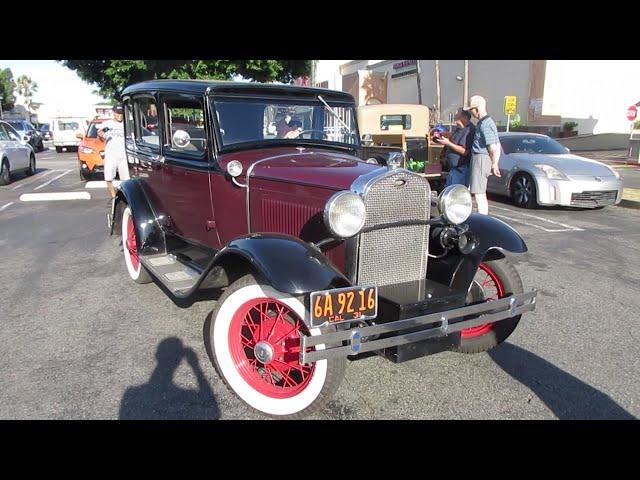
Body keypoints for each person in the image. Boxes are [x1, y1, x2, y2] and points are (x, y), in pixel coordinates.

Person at [463, 95, 501, 215]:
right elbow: (498, 144)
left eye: (471, 110)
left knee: (479, 193)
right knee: (479, 191)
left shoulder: (485, 124)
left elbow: (493, 147)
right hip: (481, 159)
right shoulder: (487, 122)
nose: (471, 113)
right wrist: (495, 162)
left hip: (481, 159)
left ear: (477, 109)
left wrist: (494, 164)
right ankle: (482, 216)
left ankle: (482, 218)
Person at [435, 108, 475, 187]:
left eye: (457, 113)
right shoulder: (458, 129)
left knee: (456, 194)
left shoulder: (470, 130)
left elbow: (465, 151)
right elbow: (451, 141)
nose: (455, 115)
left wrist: (448, 143)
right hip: (453, 169)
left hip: (461, 169)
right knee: (449, 192)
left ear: (464, 117)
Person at [97, 104, 129, 200]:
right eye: (118, 113)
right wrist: (100, 135)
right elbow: (101, 137)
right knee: (109, 177)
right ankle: (113, 196)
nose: (120, 115)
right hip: (112, 154)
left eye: (121, 113)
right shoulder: (107, 124)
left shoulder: (127, 124)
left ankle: (126, 198)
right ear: (114, 113)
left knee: (127, 178)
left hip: (124, 154)